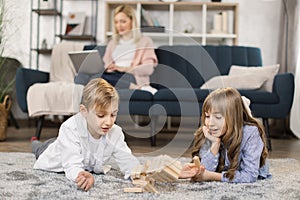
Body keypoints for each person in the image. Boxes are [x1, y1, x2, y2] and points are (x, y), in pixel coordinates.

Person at [31, 78, 139, 191]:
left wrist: (136, 173)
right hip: (54, 150)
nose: (109, 122)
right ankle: (34, 141)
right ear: (84, 111)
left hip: (68, 142)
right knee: (38, 147)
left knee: (59, 142)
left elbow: (126, 158)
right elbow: (72, 165)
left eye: (113, 115)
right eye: (101, 115)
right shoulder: (70, 128)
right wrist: (81, 175)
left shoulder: (115, 133)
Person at [179, 87, 270, 183]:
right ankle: (240, 106)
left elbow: (249, 176)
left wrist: (213, 176)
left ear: (232, 117)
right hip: (227, 167)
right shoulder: (209, 131)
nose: (210, 123)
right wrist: (215, 144)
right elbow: (204, 172)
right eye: (207, 116)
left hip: (239, 133)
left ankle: (244, 108)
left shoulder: (250, 133)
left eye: (218, 117)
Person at [102, 5, 158, 93]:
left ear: (132, 21)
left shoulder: (145, 41)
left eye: (123, 21)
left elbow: (148, 69)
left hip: (132, 77)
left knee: (104, 78)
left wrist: (123, 69)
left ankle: (139, 87)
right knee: (96, 76)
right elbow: (106, 66)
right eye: (116, 22)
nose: (119, 25)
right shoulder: (112, 43)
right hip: (113, 76)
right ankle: (134, 88)